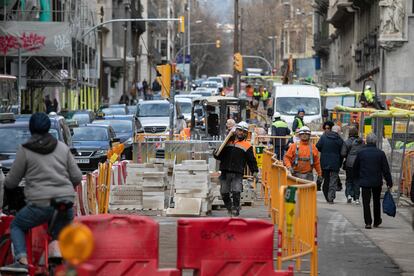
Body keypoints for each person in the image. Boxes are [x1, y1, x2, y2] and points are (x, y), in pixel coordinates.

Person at [1, 113, 82, 273]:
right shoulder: (62, 148)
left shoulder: (25, 150)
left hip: (41, 204)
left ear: (31, 129)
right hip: (64, 203)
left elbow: (10, 182)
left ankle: (22, 261)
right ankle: (57, 263)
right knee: (58, 233)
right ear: (48, 128)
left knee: (17, 225)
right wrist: (64, 191)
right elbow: (77, 177)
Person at [214, 121, 258, 217]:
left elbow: (251, 160)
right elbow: (219, 155)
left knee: (236, 191)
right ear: (236, 130)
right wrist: (215, 153)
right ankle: (230, 208)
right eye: (239, 130)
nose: (241, 132)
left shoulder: (247, 146)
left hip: (237, 172)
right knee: (224, 192)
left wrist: (254, 171)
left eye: (243, 131)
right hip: (225, 171)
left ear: (246, 133)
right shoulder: (228, 141)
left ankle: (236, 209)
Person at [353, 133, 392, 229]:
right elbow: (385, 169)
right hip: (376, 181)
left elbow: (355, 167)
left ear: (367, 141)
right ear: (375, 142)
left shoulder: (361, 153)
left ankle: (368, 222)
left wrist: (357, 178)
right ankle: (377, 220)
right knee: (376, 201)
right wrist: (389, 181)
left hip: (365, 181)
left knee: (366, 202)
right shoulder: (380, 153)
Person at [316, 124, 344, 204]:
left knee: (326, 180)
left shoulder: (324, 137)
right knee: (333, 181)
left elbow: (318, 146)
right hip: (335, 163)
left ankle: (326, 196)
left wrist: (324, 150)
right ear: (338, 132)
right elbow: (343, 152)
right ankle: (331, 197)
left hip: (324, 162)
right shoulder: (340, 140)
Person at [341, 126, 364, 204]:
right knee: (357, 180)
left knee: (349, 180)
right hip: (359, 164)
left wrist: (348, 156)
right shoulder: (361, 142)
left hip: (349, 164)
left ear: (349, 133)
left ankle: (349, 195)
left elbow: (343, 153)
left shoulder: (347, 142)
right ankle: (357, 198)